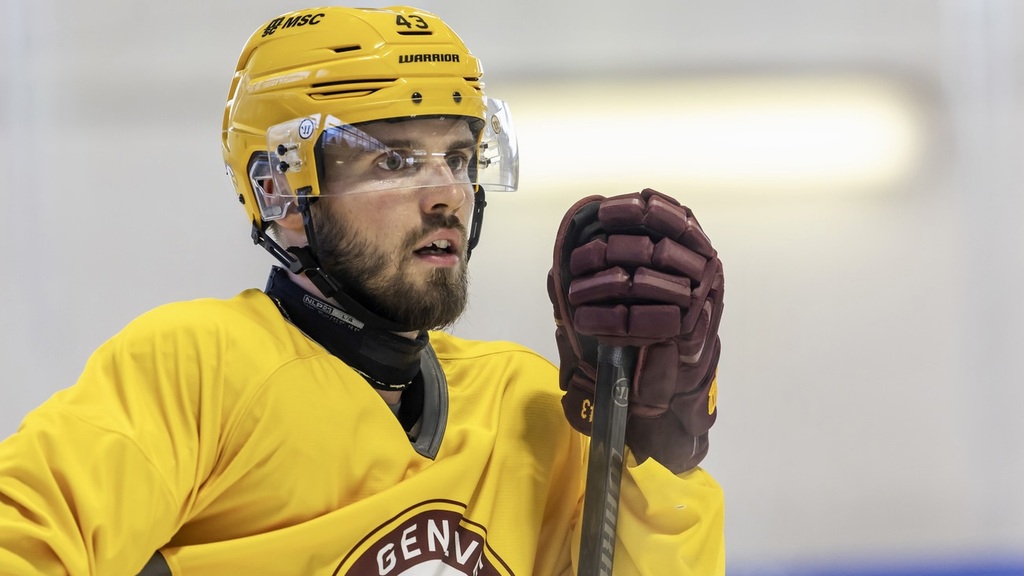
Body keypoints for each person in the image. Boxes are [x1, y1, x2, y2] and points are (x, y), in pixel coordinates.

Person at [0, 6, 726, 575]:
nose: (447, 193)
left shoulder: (525, 410)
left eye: (459, 157)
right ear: (281, 193)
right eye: (395, 162)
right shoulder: (201, 367)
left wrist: (656, 454)